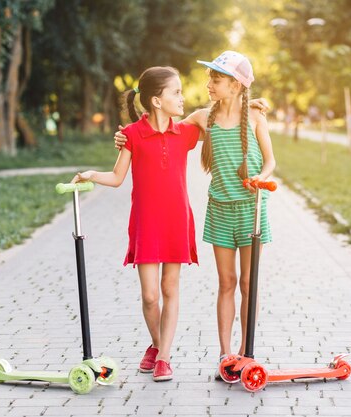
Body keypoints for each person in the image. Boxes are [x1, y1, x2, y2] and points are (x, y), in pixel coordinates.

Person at [114, 51, 275, 380]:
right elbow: (164, 128)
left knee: (249, 282)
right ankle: (224, 353)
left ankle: (247, 351)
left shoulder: (255, 118)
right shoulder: (204, 117)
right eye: (211, 78)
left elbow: (270, 159)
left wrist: (261, 177)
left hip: (250, 209)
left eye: (215, 79)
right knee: (227, 282)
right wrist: (126, 136)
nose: (208, 84)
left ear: (234, 85)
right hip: (219, 210)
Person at [71, 66, 203, 382]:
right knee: (149, 297)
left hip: (176, 220)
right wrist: (90, 174)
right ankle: (158, 346)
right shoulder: (131, 134)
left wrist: (244, 108)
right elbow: (117, 178)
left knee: (170, 289)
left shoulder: (185, 132)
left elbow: (218, 117)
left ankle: (164, 357)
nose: (182, 98)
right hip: (147, 223)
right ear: (156, 101)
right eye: (176, 92)